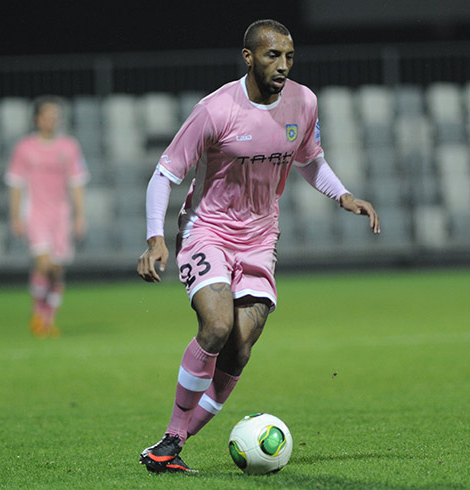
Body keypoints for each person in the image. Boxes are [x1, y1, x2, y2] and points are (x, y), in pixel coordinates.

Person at [136, 19, 380, 473]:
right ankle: (172, 433)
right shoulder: (215, 110)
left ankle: (171, 447)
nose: (283, 65)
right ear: (248, 57)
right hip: (207, 230)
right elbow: (165, 174)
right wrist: (155, 239)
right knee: (217, 326)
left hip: (260, 238)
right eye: (273, 55)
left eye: (289, 56)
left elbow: (311, 160)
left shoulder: (304, 102)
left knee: (239, 349)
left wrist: (343, 196)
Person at [5, 96, 89, 338]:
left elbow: (77, 182)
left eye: (55, 116)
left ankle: (48, 319)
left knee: (57, 270)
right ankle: (38, 312)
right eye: (47, 115)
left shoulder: (69, 147)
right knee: (44, 264)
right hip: (35, 213)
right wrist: (15, 216)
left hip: (61, 215)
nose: (52, 120)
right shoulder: (24, 148)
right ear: (37, 119)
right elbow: (16, 183)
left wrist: (80, 216)